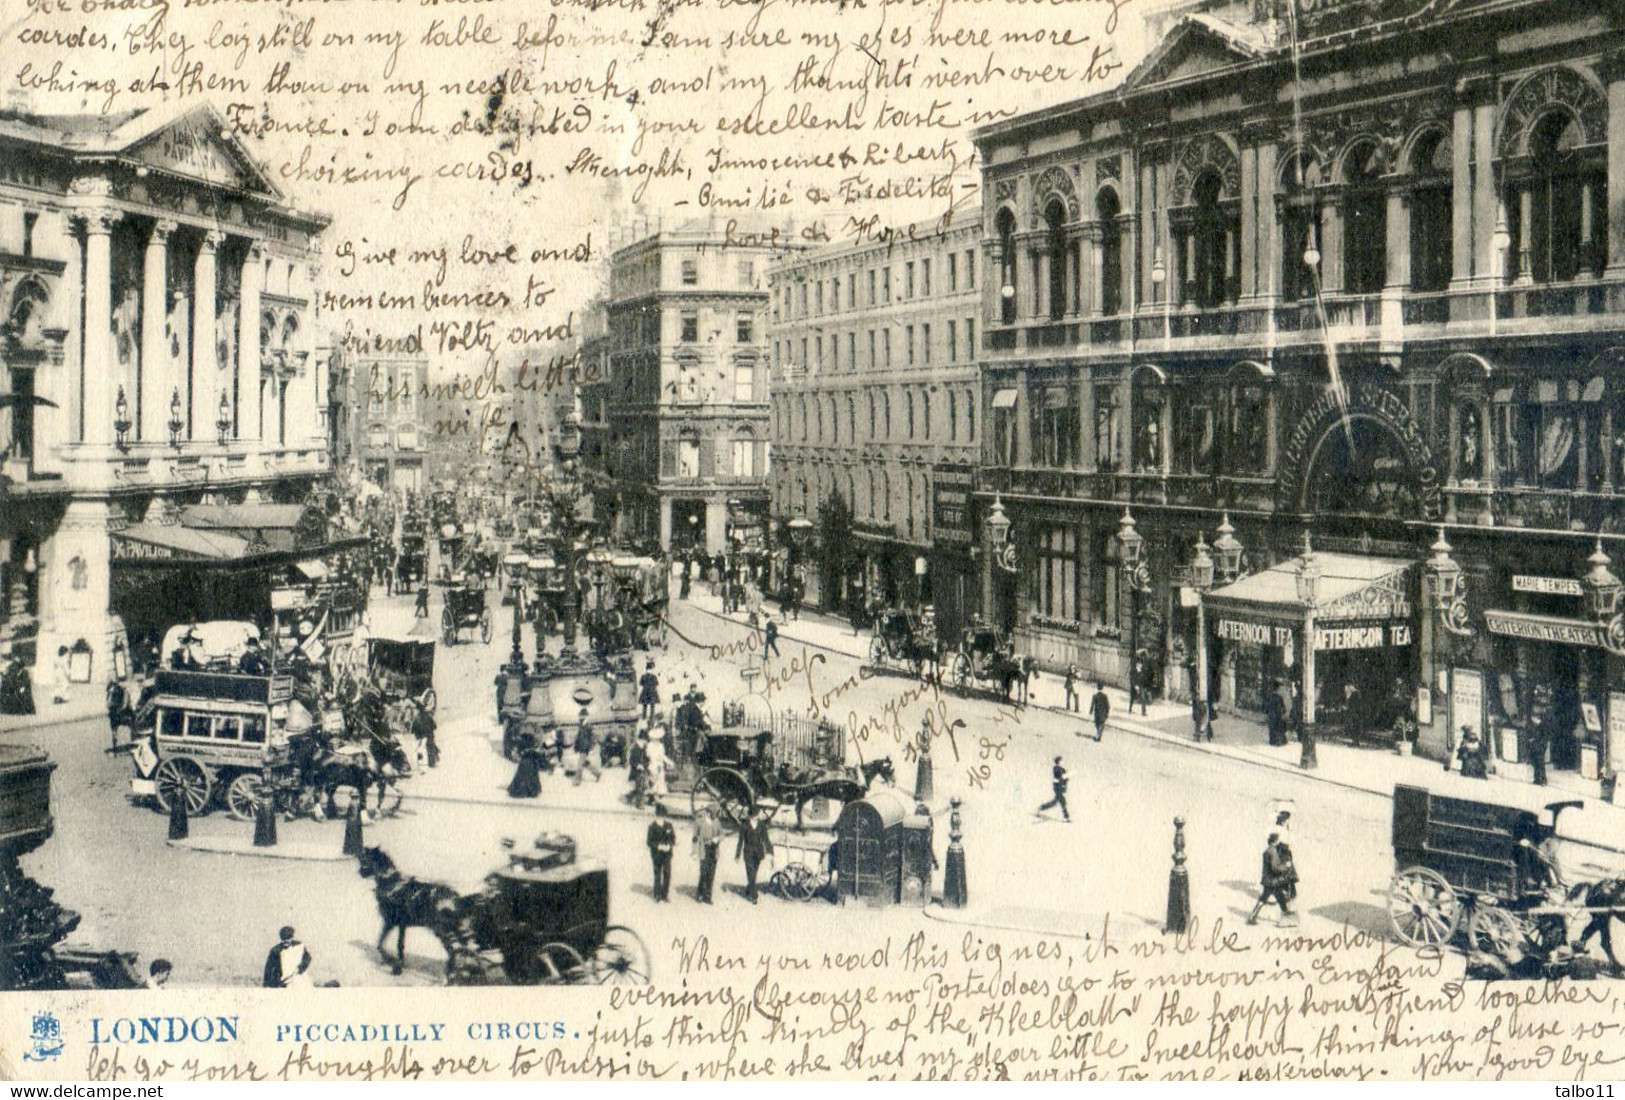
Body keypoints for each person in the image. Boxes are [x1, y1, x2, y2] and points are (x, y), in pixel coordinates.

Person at [1247, 832, 1298, 926]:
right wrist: (1286, 866)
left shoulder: (1267, 850)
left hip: (1267, 880)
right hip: (1273, 881)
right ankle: (1286, 920)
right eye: (1278, 840)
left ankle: (1252, 917)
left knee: (1266, 898)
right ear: (1275, 841)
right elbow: (1275, 868)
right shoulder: (1273, 851)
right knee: (1280, 899)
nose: (1279, 842)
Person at [736, 806, 774, 903]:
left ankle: (749, 889)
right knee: (751, 874)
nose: (761, 815)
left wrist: (770, 852)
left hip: (759, 853)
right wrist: (737, 855)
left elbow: (766, 839)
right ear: (754, 815)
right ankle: (754, 896)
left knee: (754, 874)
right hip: (748, 852)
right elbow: (740, 841)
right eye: (759, 813)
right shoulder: (744, 825)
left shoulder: (762, 825)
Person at [692, 806, 723, 904]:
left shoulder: (716, 822)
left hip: (714, 850)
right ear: (708, 813)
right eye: (712, 814)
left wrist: (718, 839)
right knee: (703, 873)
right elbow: (695, 838)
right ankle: (700, 894)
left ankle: (708, 896)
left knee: (711, 874)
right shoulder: (699, 822)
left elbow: (722, 834)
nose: (714, 816)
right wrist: (694, 852)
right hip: (703, 849)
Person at [647, 803, 676, 903]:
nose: (661, 818)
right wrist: (658, 846)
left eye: (662, 816)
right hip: (657, 854)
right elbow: (649, 842)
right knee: (657, 874)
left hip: (667, 854)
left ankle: (665, 894)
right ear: (656, 816)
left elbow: (673, 838)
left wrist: (669, 845)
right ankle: (657, 894)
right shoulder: (652, 827)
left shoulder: (669, 825)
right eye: (659, 816)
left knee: (667, 873)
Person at [1, 647, 36, 715]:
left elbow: (23, 678)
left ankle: (24, 710)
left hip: (20, 686)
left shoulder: (19, 668)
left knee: (23, 697)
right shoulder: (11, 666)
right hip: (14, 686)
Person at [1036, 756, 1071, 822]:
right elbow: (1058, 777)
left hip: (1061, 787)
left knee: (1055, 802)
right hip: (1057, 787)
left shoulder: (1063, 769)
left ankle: (1041, 808)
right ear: (1059, 761)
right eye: (1061, 761)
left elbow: (1065, 779)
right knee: (1062, 801)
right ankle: (1066, 817)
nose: (1063, 762)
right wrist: (1063, 777)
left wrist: (1066, 778)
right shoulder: (1056, 768)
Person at [573, 709, 602, 785]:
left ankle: (577, 781)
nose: (580, 717)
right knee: (584, 763)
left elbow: (592, 738)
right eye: (579, 716)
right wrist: (576, 746)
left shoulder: (588, 726)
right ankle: (597, 773)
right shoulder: (581, 725)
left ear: (585, 717)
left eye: (581, 716)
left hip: (585, 748)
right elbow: (578, 737)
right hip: (581, 747)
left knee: (579, 764)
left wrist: (590, 747)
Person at [1527, 715, 1549, 786]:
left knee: (1540, 763)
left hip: (1540, 747)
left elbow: (1544, 737)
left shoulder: (1542, 726)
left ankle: (1543, 780)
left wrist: (1536, 740)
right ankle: (1537, 779)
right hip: (1534, 747)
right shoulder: (1532, 726)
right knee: (1535, 763)